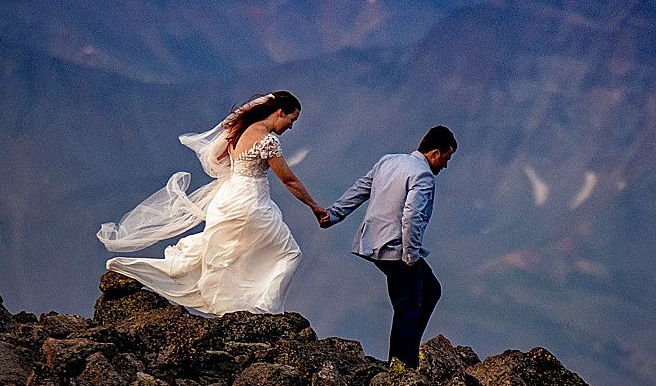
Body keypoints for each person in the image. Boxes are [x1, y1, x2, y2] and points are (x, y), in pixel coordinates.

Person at [97, 91, 327, 315]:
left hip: (228, 199)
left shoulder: (238, 133)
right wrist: (314, 206)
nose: (291, 126)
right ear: (279, 112)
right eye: (291, 119)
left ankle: (132, 267)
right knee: (289, 254)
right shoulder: (267, 141)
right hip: (251, 204)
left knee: (226, 253)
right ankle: (265, 309)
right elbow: (289, 180)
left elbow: (218, 159)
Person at [319, 125, 457, 370]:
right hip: (397, 247)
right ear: (435, 153)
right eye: (446, 158)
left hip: (373, 241)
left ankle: (406, 355)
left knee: (430, 289)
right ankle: (401, 366)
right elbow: (412, 216)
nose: (445, 165)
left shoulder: (388, 161)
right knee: (408, 308)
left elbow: (361, 188)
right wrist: (411, 255)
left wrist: (334, 214)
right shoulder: (422, 175)